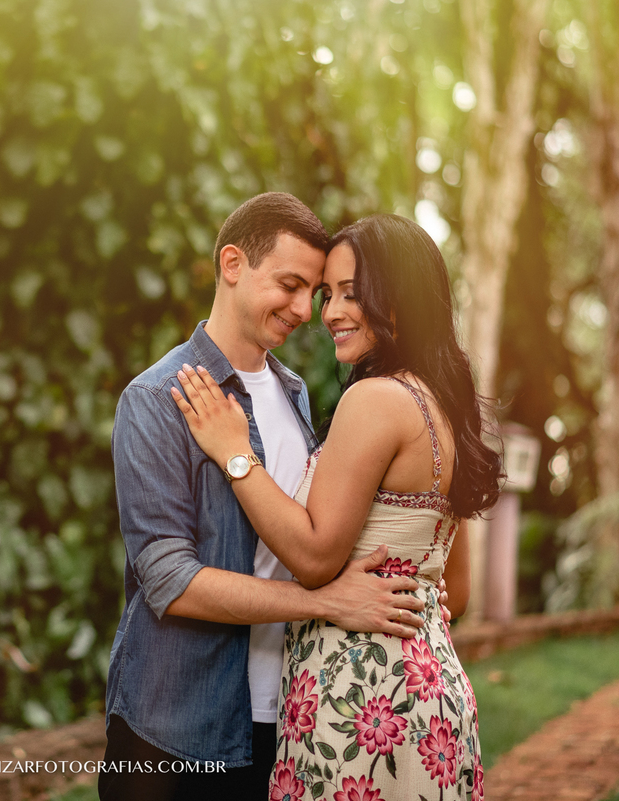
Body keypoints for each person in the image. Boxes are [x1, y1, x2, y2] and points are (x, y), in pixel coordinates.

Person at [101, 194, 430, 801]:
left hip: (281, 720)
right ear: (232, 264)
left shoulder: (295, 394)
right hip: (173, 733)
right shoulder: (156, 399)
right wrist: (325, 601)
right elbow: (170, 580)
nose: (306, 309)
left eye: (316, 290)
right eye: (290, 284)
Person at [172, 213, 502, 801]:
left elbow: (316, 556)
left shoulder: (375, 400)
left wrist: (235, 454)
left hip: (360, 700)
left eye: (353, 293)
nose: (329, 312)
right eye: (330, 294)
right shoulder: (445, 405)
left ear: (400, 301)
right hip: (432, 697)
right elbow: (460, 589)